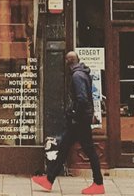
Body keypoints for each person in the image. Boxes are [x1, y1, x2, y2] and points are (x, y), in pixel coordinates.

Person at [32, 51, 105, 195]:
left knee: (88, 150)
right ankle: (49, 179)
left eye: (65, 61)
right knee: (64, 147)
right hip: (81, 119)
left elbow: (82, 99)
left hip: (79, 120)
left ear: (68, 61)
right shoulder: (82, 73)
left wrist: (73, 114)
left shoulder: (77, 76)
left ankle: (98, 183)